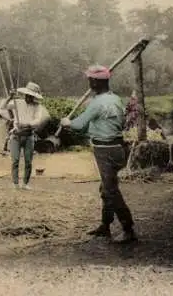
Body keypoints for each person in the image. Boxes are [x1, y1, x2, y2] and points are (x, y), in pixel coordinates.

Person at [60, 65, 137, 244]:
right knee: (106, 188)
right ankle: (105, 225)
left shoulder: (96, 103)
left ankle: (128, 228)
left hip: (105, 150)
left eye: (89, 80)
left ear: (94, 82)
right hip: (118, 148)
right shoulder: (116, 99)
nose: (88, 82)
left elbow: (79, 125)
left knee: (110, 190)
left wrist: (67, 122)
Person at [0, 82, 50, 190]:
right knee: (15, 161)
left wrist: (27, 124)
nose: (28, 97)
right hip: (16, 136)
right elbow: (2, 107)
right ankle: (15, 183)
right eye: (27, 95)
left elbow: (37, 121)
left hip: (29, 136)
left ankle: (25, 184)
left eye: (31, 96)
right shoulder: (17, 102)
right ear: (25, 94)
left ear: (34, 97)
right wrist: (10, 97)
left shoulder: (37, 106)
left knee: (28, 161)